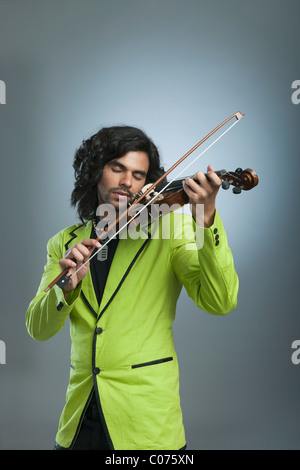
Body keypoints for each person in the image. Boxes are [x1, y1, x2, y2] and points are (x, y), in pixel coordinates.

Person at [26, 125, 239, 450]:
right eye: (117, 168)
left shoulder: (174, 228)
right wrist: (65, 287)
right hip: (80, 418)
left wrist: (206, 217)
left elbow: (220, 300)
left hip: (146, 423)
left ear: (148, 183)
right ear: (95, 171)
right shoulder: (65, 243)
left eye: (139, 174)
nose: (127, 181)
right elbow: (37, 328)